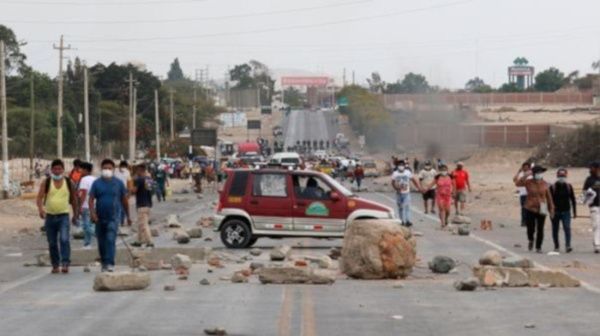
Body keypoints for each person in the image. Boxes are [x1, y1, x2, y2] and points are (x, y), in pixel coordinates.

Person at [36, 159, 78, 274]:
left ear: (63, 170)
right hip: (50, 217)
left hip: (64, 216)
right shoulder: (47, 182)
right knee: (52, 242)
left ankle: (65, 263)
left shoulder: (69, 182)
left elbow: (74, 200)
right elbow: (39, 197)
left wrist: (75, 214)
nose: (57, 171)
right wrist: (40, 210)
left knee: (64, 239)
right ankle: (55, 265)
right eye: (55, 169)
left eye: (59, 169)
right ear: (52, 170)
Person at [89, 159, 131, 272]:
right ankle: (104, 262)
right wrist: (92, 213)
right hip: (99, 217)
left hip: (113, 217)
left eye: (109, 168)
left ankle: (110, 263)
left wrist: (128, 216)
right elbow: (91, 199)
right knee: (101, 242)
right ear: (101, 169)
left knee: (110, 239)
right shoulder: (96, 183)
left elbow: (124, 200)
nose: (107, 170)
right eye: (105, 168)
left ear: (113, 169)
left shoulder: (118, 183)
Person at [515, 165, 555, 253]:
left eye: (540, 173)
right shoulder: (528, 182)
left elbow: (549, 197)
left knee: (540, 228)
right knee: (531, 228)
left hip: (542, 208)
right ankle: (531, 240)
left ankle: (538, 247)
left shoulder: (545, 184)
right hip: (530, 207)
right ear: (533, 174)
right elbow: (517, 183)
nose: (539, 174)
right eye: (537, 173)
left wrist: (551, 208)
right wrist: (525, 175)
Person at [549, 168, 576, 253]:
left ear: (566, 176)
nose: (562, 177)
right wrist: (550, 211)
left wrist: (575, 212)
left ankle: (568, 245)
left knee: (567, 228)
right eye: (560, 176)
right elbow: (549, 200)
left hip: (566, 211)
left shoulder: (569, 187)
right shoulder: (552, 187)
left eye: (563, 176)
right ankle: (556, 246)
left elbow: (573, 199)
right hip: (555, 212)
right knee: (555, 229)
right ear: (557, 176)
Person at [131, 164, 154, 248]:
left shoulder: (139, 180)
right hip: (148, 204)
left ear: (140, 170)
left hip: (141, 204)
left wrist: (132, 183)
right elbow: (151, 191)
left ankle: (149, 241)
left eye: (137, 170)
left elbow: (134, 191)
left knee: (144, 224)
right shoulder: (149, 179)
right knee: (140, 224)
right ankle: (139, 240)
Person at [392, 161, 421, 227]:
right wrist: (396, 188)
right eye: (399, 165)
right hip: (398, 193)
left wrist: (418, 187)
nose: (401, 166)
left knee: (407, 207)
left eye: (402, 165)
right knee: (400, 207)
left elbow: (413, 180)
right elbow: (393, 182)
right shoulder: (395, 173)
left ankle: (408, 221)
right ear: (397, 166)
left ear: (404, 166)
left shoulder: (408, 172)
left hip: (406, 192)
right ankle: (401, 220)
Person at [77, 162, 96, 249]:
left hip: (86, 205)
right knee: (91, 224)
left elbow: (83, 193)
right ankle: (87, 244)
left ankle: (89, 242)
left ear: (85, 170)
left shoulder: (84, 179)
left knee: (86, 225)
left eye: (81, 169)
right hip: (95, 205)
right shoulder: (95, 179)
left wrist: (80, 206)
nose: (80, 171)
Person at [583, 161, 600, 253]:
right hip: (594, 206)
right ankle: (597, 245)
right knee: (596, 225)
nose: (590, 170)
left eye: (592, 168)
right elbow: (584, 193)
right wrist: (589, 195)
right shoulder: (589, 180)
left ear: (597, 168)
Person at [513, 162, 532, 227]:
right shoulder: (521, 174)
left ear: (529, 167)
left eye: (526, 167)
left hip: (530, 194)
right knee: (524, 209)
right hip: (523, 194)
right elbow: (514, 180)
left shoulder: (531, 174)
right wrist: (519, 172)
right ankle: (523, 222)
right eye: (524, 167)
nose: (525, 168)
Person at [114, 160, 131, 227]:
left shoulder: (115, 171)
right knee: (124, 206)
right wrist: (129, 192)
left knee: (118, 206)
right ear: (126, 166)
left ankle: (118, 221)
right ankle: (121, 221)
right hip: (124, 190)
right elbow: (129, 182)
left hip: (116, 190)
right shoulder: (127, 172)